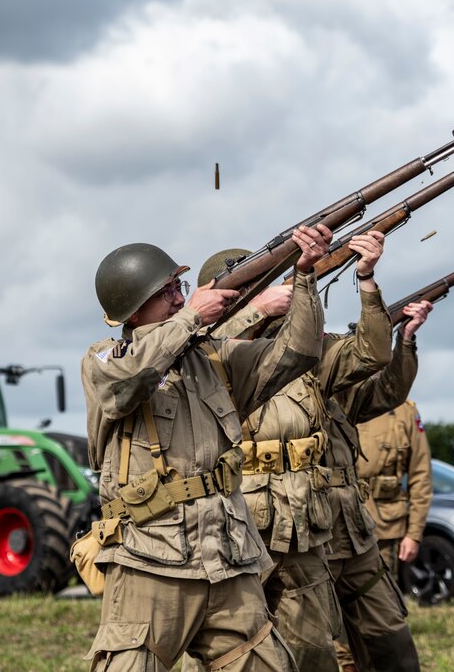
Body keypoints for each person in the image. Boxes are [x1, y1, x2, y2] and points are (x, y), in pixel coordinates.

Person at [80, 225, 330, 671]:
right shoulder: (105, 359)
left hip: (226, 554)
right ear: (134, 311)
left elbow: (298, 353)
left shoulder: (212, 357)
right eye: (168, 292)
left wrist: (306, 276)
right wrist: (190, 318)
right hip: (149, 556)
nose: (180, 297)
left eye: (180, 287)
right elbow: (126, 381)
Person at [201, 230, 393, 671]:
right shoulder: (202, 351)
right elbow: (197, 352)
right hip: (235, 527)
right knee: (229, 653)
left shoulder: (303, 350)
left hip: (301, 523)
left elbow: (372, 354)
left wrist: (366, 279)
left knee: (312, 652)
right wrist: (254, 310)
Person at [332, 300, 432, 672]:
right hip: (330, 526)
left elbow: (421, 475)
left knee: (384, 627)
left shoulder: (401, 409)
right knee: (335, 636)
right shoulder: (331, 393)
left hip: (381, 529)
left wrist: (414, 532)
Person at [355, 399, 433, 576]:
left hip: (384, 525)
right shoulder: (337, 399)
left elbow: (421, 475)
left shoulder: (405, 411)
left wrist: (414, 534)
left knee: (382, 595)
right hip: (338, 520)